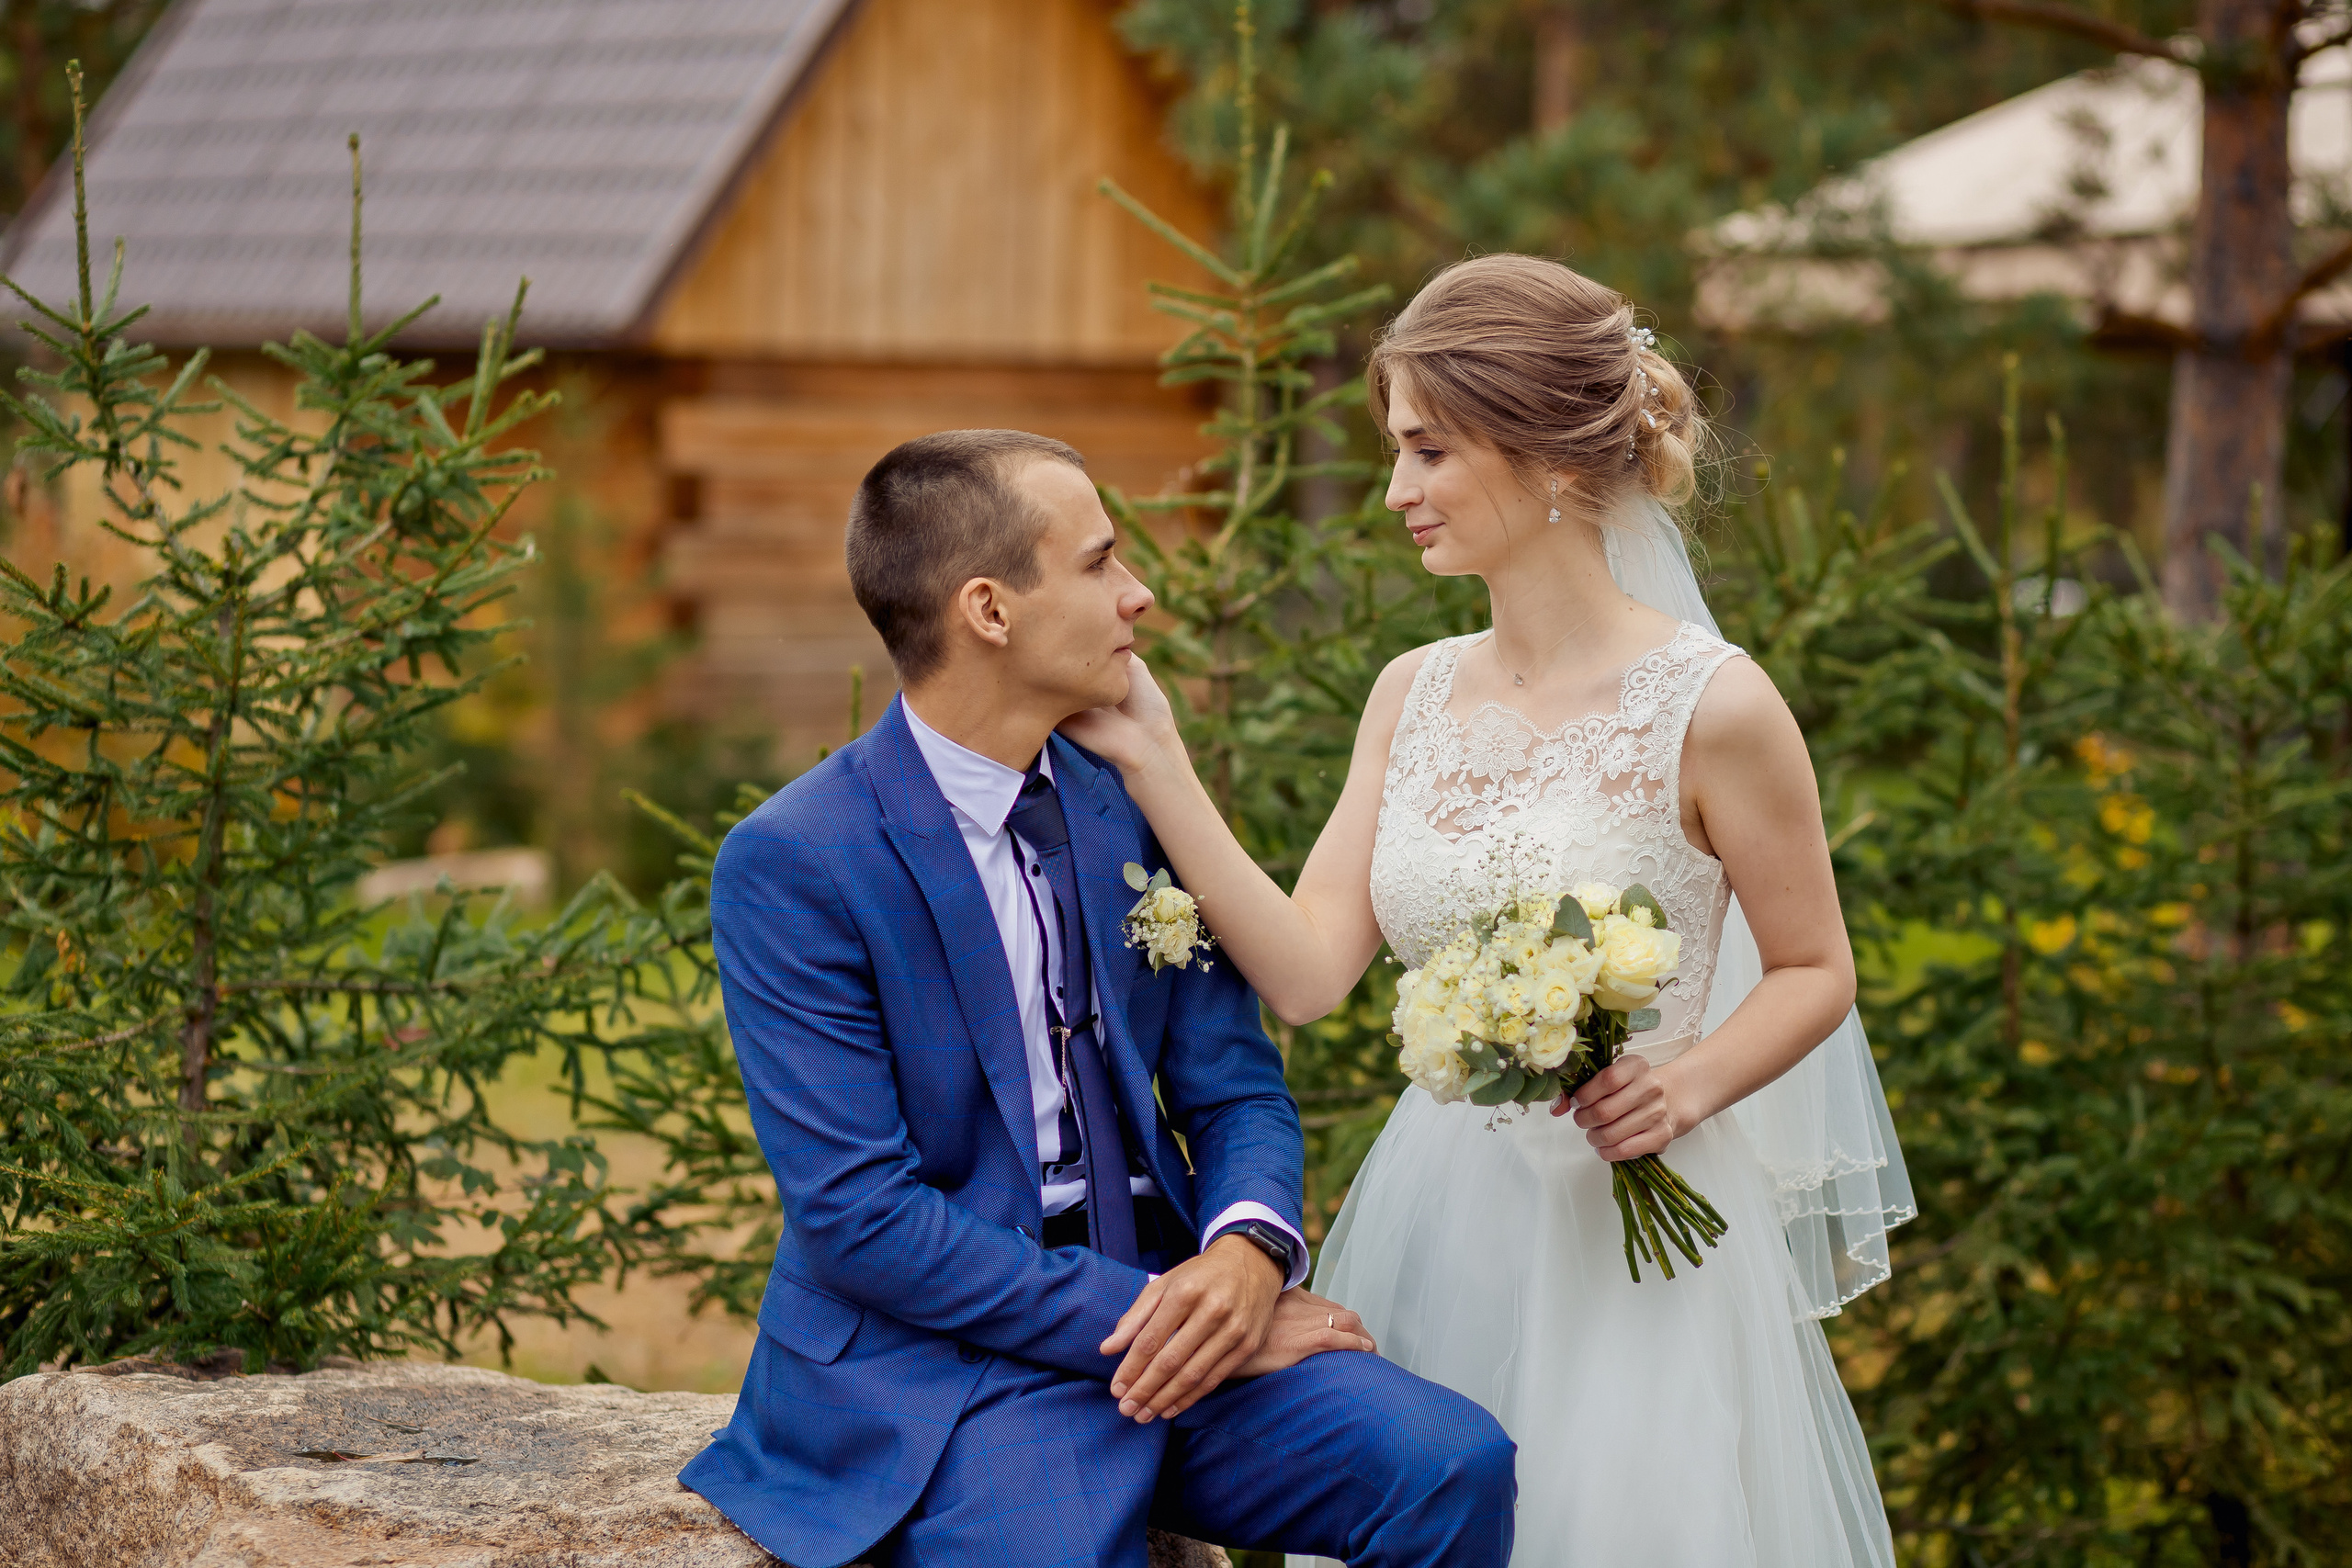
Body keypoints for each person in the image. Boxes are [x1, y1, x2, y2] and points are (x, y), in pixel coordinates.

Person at [1060, 256, 1915, 1568]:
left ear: (1551, 455)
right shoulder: (1410, 691)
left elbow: (1813, 967)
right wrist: (1157, 757)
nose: (1396, 492)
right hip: (1445, 1212)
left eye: (1428, 451)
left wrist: (1680, 1088)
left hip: (1634, 1235)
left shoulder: (1716, 706)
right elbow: (1307, 972)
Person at [679, 428, 1518, 1568]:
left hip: (1182, 1309)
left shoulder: (1124, 806)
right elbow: (861, 1216)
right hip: (956, 1365)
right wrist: (1161, 1317)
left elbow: (1235, 1090)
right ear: (989, 610)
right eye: (1098, 562)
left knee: (1447, 1466)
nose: (1138, 593)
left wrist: (1243, 1260)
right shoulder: (800, 858)